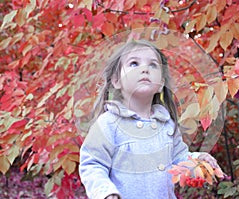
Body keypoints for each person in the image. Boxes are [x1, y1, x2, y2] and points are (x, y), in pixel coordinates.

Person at [79, 40, 222, 199]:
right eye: (134, 63)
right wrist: (105, 192)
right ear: (116, 81)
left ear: (161, 84)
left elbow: (178, 159)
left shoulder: (166, 124)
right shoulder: (109, 123)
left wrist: (197, 161)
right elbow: (92, 164)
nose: (145, 69)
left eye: (153, 65)